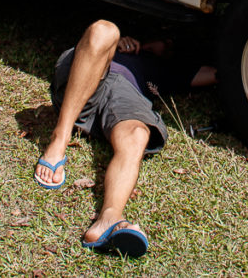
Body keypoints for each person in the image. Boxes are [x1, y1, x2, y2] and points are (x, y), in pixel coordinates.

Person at [33, 20, 216, 258]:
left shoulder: (166, 69)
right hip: (87, 75)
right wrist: (116, 45)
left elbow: (217, 74)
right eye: (166, 40)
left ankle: (109, 219)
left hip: (125, 96)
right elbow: (94, 40)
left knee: (138, 134)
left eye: (173, 45)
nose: (167, 46)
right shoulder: (119, 43)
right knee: (105, 30)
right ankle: (60, 138)